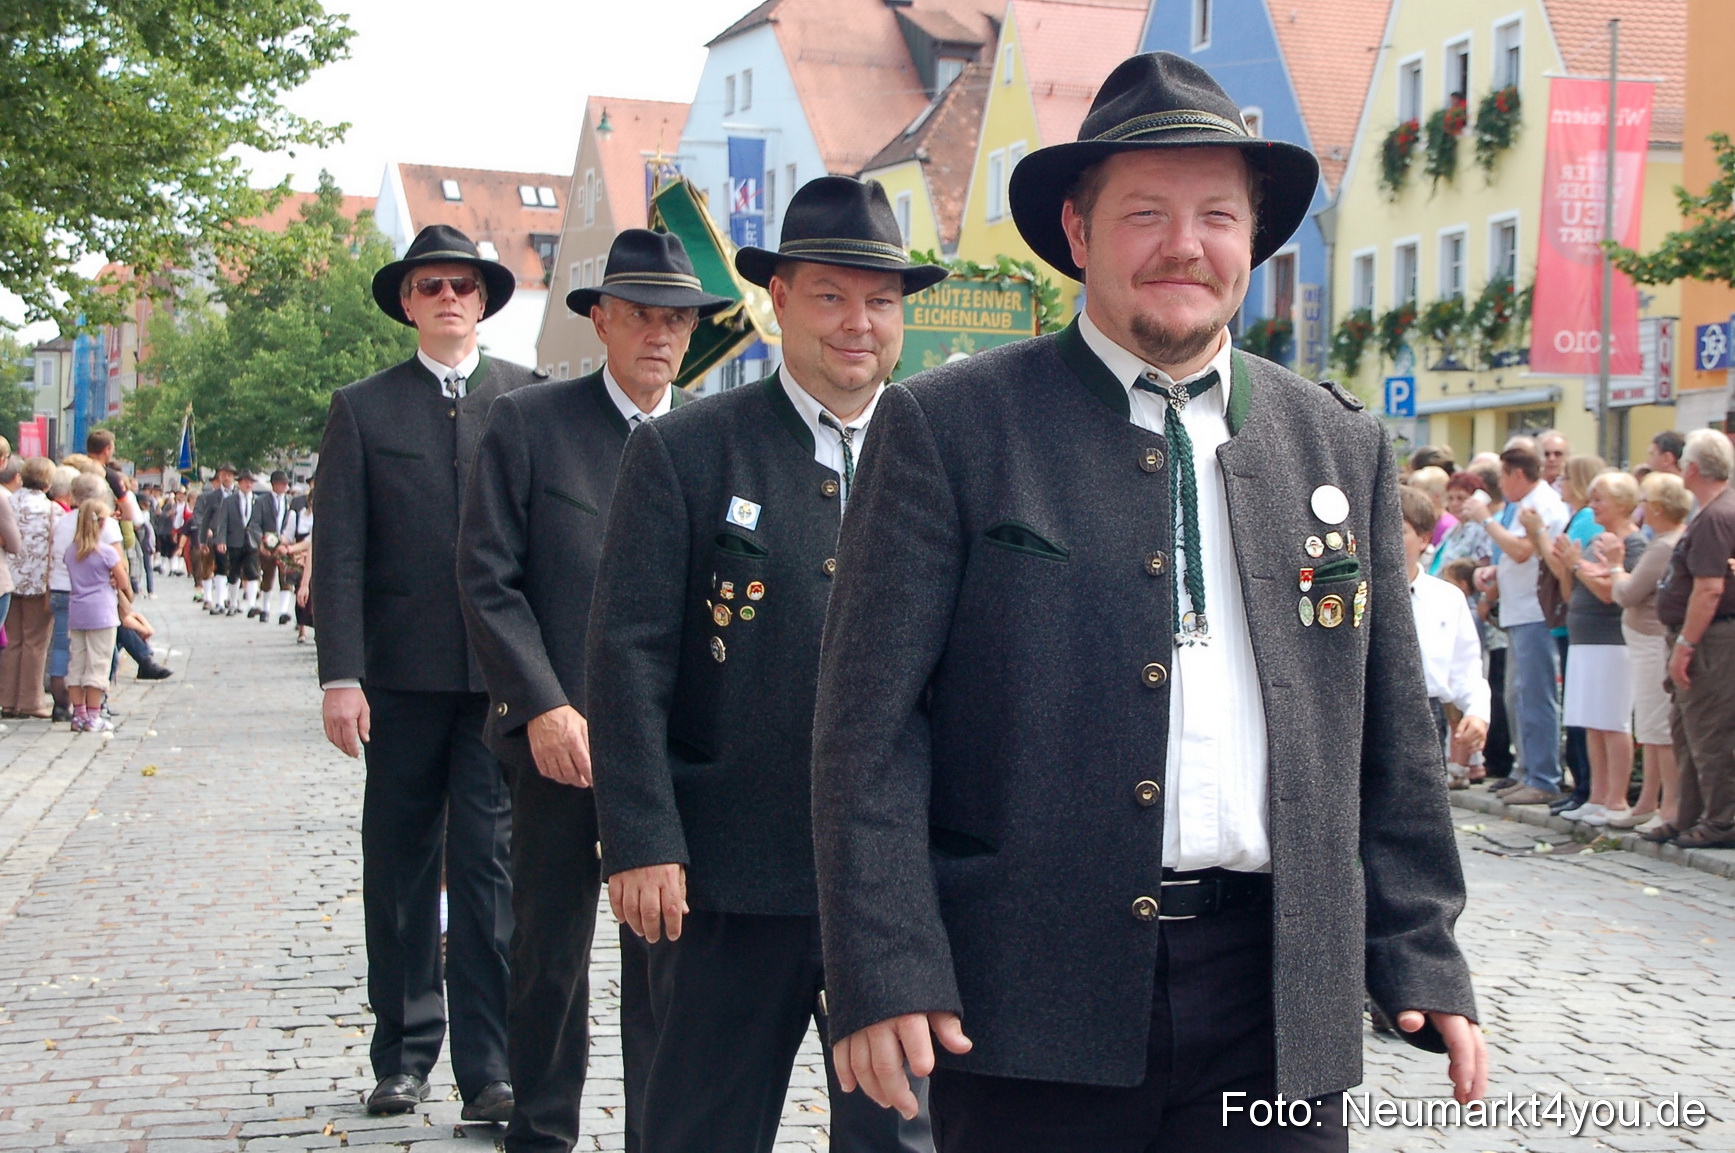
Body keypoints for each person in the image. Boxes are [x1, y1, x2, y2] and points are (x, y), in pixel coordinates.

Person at [807, 54, 1484, 1152]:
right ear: (1077, 234)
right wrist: (884, 962)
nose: (1187, 244)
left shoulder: (1335, 439)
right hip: (1032, 993)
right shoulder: (950, 428)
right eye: (1146, 214)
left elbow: (1386, 729)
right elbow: (868, 731)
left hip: (1277, 1002)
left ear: (1253, 241)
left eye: (1219, 214)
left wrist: (1419, 949)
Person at [587, 178, 946, 1153]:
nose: (857, 323)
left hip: (896, 884)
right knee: (697, 1126)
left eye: (879, 300)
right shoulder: (686, 450)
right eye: (829, 295)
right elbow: (627, 653)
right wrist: (639, 835)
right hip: (725, 871)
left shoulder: (949, 455)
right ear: (778, 299)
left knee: (900, 1137)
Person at [459, 228, 732, 1153]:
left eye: (678, 320)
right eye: (644, 316)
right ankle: (540, 1130)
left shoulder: (709, 435)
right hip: (559, 738)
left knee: (667, 953)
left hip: (670, 749)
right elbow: (488, 576)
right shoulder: (531, 423)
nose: (661, 334)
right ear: (601, 319)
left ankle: (659, 1131)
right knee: (550, 951)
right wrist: (538, 702)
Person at [314, 224, 544, 1121]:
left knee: (488, 873)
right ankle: (403, 1053)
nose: (449, 296)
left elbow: (543, 549)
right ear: (407, 302)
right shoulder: (363, 408)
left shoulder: (526, 400)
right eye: (430, 284)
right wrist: (342, 673)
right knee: (402, 864)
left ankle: (489, 1067)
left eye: (463, 285)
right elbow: (338, 553)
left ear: (483, 300)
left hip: (498, 681)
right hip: (400, 678)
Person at [1463, 445, 1569, 805]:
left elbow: (1524, 550)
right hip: (1519, 610)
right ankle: (1526, 770)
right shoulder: (1521, 503)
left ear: (1517, 474)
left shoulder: (1542, 504)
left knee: (1536, 697)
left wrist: (1485, 520)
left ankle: (1544, 776)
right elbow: (1515, 554)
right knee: (1518, 697)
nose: (1501, 485)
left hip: (1536, 611)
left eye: (1504, 476)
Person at [1648, 430, 1735, 849]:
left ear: (1695, 468)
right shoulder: (1712, 511)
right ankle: (1687, 815)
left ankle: (1720, 821)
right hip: (1701, 635)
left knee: (1709, 731)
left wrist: (1685, 644)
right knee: (1686, 729)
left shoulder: (1718, 515)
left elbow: (1710, 588)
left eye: (1684, 463)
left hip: (1710, 640)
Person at [1553, 471, 1645, 827]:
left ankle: (1616, 797)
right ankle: (1596, 795)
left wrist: (1576, 565)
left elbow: (1611, 594)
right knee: (1591, 721)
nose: (1593, 507)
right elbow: (1571, 590)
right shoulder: (1598, 541)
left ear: (1622, 503)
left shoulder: (1631, 545)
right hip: (1585, 638)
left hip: (1612, 640)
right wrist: (1569, 565)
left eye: (1599, 500)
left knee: (1613, 721)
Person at [1610, 471, 1689, 832]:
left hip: (1652, 643)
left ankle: (1668, 806)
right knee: (1651, 724)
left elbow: (1628, 593)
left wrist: (1613, 568)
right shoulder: (1668, 540)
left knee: (1657, 725)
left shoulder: (1664, 545)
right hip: (1646, 640)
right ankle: (1648, 801)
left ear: (1657, 508)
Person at [1400, 487, 1489, 788]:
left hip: (1423, 715)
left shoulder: (1446, 598)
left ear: (1425, 539)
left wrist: (1477, 713)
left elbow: (1465, 667)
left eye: (1399, 531)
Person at [61, 496, 146, 733]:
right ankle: (94, 715)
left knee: (77, 661)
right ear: (101, 524)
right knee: (98, 663)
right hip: (102, 612)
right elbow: (122, 581)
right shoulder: (107, 552)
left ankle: (78, 714)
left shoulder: (71, 551)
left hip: (77, 610)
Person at [0, 458, 59, 719]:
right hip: (38, 582)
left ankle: (7, 699)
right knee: (35, 642)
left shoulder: (8, 501)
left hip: (8, 579)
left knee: (11, 641)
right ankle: (31, 701)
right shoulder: (51, 509)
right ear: (48, 481)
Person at [213, 471, 266, 618]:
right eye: (245, 482)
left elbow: (261, 522)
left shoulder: (257, 500)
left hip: (252, 541)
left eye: (250, 482)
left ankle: (251, 605)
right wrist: (221, 540)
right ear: (239, 483)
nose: (248, 485)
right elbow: (222, 523)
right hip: (234, 540)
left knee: (252, 572)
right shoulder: (230, 501)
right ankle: (233, 603)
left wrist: (262, 539)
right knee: (233, 572)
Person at [258, 471, 297, 624]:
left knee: (285, 577)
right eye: (280, 483)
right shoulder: (262, 501)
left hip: (286, 543)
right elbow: (255, 523)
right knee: (268, 576)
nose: (283, 486)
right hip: (267, 542)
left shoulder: (291, 501)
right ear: (274, 485)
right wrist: (261, 542)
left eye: (285, 484)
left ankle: (283, 611)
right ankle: (265, 608)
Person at [193, 465, 234, 609]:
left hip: (230, 537)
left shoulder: (236, 495)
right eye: (220, 477)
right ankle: (208, 597)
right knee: (208, 566)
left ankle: (225, 597)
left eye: (229, 475)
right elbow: (200, 516)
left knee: (228, 567)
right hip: (211, 536)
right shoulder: (207, 497)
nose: (223, 480)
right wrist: (204, 532)